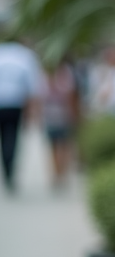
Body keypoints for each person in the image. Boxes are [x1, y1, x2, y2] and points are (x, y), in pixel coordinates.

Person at [0, 37, 45, 192]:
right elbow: (33, 86)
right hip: (15, 104)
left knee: (5, 138)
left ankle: (7, 168)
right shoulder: (25, 56)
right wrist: (33, 111)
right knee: (12, 137)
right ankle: (9, 170)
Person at [42, 58, 81, 187]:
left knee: (60, 145)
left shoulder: (62, 74)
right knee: (58, 145)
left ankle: (59, 172)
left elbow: (71, 96)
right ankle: (58, 172)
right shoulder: (51, 75)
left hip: (59, 115)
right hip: (54, 115)